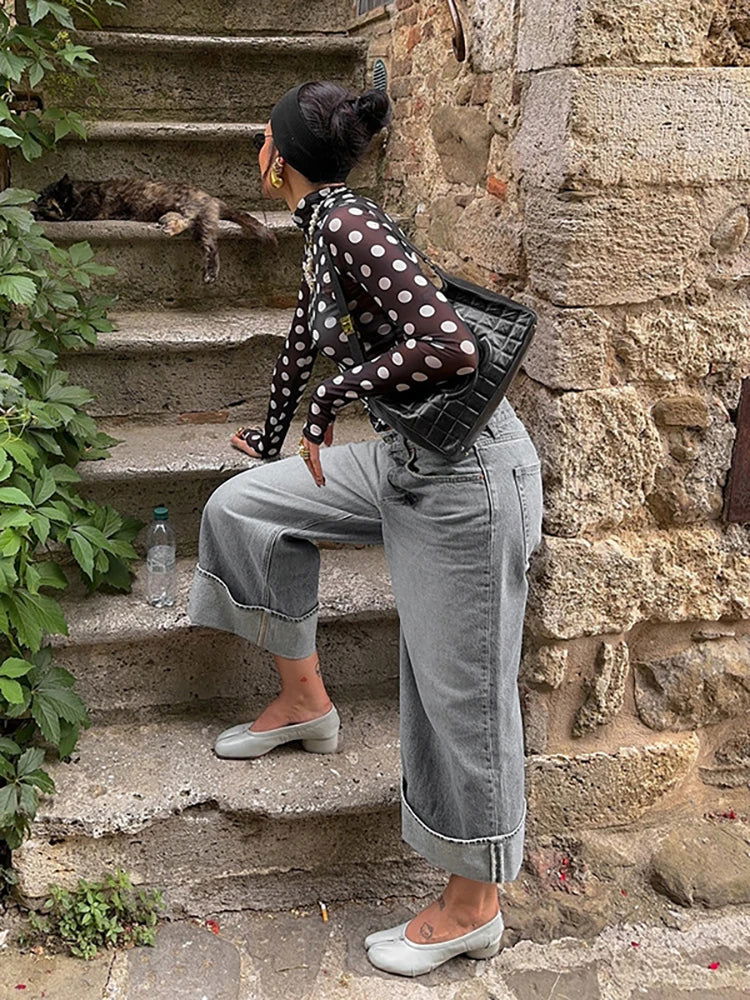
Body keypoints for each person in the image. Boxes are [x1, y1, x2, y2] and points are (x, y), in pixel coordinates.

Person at [187, 79, 544, 978]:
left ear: (280, 156)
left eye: (260, 137)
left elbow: (450, 346)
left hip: (464, 480)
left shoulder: (349, 223)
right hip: (404, 460)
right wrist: (273, 434)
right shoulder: (324, 226)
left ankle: (474, 904)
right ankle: (306, 703)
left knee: (457, 695)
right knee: (244, 508)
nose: (254, 150)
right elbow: (306, 339)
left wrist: (331, 406)